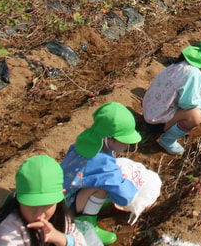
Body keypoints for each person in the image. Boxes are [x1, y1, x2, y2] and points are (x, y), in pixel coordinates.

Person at [60, 102, 143, 244]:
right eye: (124, 141)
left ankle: (88, 204)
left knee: (105, 183)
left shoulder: (85, 142)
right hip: (64, 208)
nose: (127, 145)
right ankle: (87, 223)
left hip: (62, 194)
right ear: (109, 139)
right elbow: (125, 197)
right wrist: (132, 190)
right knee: (102, 188)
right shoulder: (103, 164)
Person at [0, 155, 92, 246]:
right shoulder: (9, 227)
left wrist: (59, 238)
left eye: (46, 204)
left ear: (60, 197)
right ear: (17, 198)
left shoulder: (62, 218)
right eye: (31, 205)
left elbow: (79, 241)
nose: (39, 212)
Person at [142, 38, 201, 156]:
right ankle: (168, 140)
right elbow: (188, 103)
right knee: (195, 115)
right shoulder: (194, 73)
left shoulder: (181, 64)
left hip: (150, 111)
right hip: (156, 122)